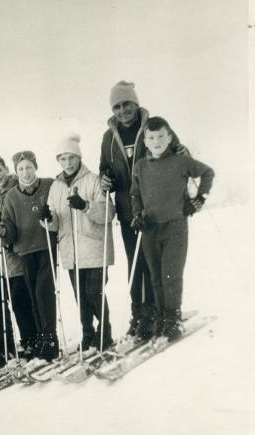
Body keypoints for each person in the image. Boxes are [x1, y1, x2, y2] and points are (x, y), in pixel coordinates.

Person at [99, 80, 188, 340]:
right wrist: (105, 177)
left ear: (136, 103)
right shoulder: (108, 137)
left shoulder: (152, 127)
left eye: (127, 103)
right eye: (117, 106)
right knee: (136, 262)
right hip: (129, 210)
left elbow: (176, 153)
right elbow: (105, 166)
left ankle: (165, 313)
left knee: (159, 264)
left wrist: (183, 152)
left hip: (159, 207)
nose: (122, 110)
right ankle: (141, 314)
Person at [131, 116, 214, 341]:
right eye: (151, 138)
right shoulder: (140, 166)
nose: (156, 141)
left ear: (169, 138)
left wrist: (199, 198)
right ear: (145, 142)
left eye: (161, 136)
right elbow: (135, 195)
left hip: (175, 226)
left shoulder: (180, 161)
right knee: (156, 276)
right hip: (150, 229)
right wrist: (137, 216)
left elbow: (207, 173)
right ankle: (160, 317)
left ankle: (172, 319)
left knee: (171, 275)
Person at [42, 133, 115, 351]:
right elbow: (55, 222)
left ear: (79, 157)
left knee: (94, 293)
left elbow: (108, 213)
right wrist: (46, 219)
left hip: (94, 247)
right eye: (63, 159)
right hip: (70, 251)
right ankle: (88, 334)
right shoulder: (56, 187)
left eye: (71, 157)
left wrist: (85, 205)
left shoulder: (93, 180)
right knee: (81, 297)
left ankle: (105, 333)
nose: (68, 163)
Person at [2, 150, 58, 360]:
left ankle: (50, 339)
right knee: (34, 295)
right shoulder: (11, 196)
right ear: (16, 172)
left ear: (35, 167)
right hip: (25, 250)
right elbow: (10, 228)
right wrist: (4, 231)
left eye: (29, 167)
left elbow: (59, 209)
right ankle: (42, 338)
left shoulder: (49, 185)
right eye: (21, 169)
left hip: (45, 247)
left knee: (44, 292)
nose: (25, 172)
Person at [0, 155, 36, 365]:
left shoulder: (16, 187)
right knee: (15, 299)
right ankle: (27, 339)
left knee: (21, 297)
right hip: (3, 254)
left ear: (6, 169)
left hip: (19, 249)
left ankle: (32, 338)